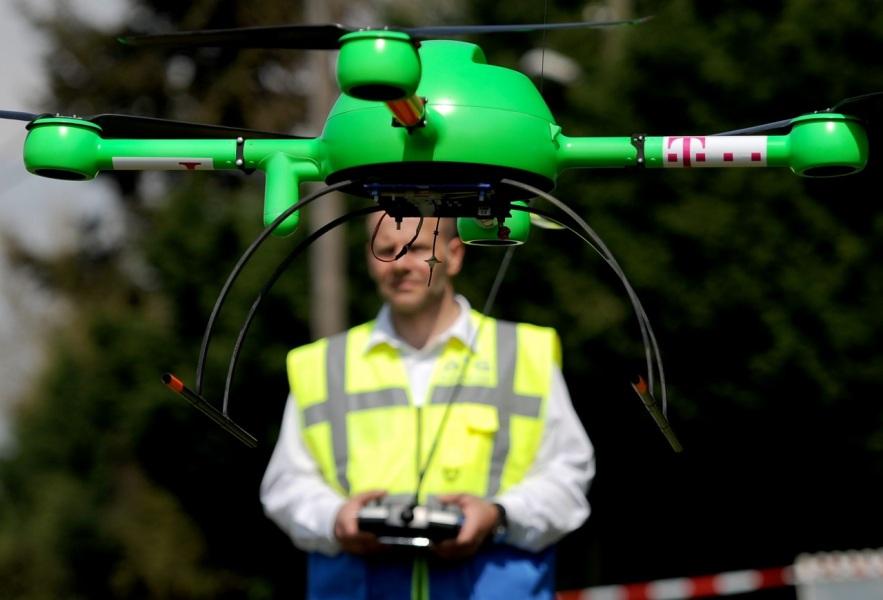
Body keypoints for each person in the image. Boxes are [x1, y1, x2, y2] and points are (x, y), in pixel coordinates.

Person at [261, 213, 595, 599]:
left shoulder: (523, 354)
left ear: (455, 255)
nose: (400, 264)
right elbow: (286, 485)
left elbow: (567, 476)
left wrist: (499, 515)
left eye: (417, 248)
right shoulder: (322, 364)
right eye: (385, 250)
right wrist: (335, 518)